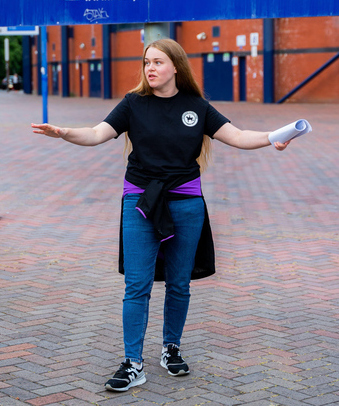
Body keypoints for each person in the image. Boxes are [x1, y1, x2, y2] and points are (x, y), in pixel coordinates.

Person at [31, 38, 291, 393]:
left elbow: (239, 136)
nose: (150, 68)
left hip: (186, 203)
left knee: (179, 283)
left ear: (175, 67)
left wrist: (274, 137)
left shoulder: (196, 106)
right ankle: (132, 362)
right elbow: (95, 134)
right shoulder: (132, 104)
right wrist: (64, 133)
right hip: (140, 201)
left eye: (157, 62)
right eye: (146, 62)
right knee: (136, 285)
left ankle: (171, 348)